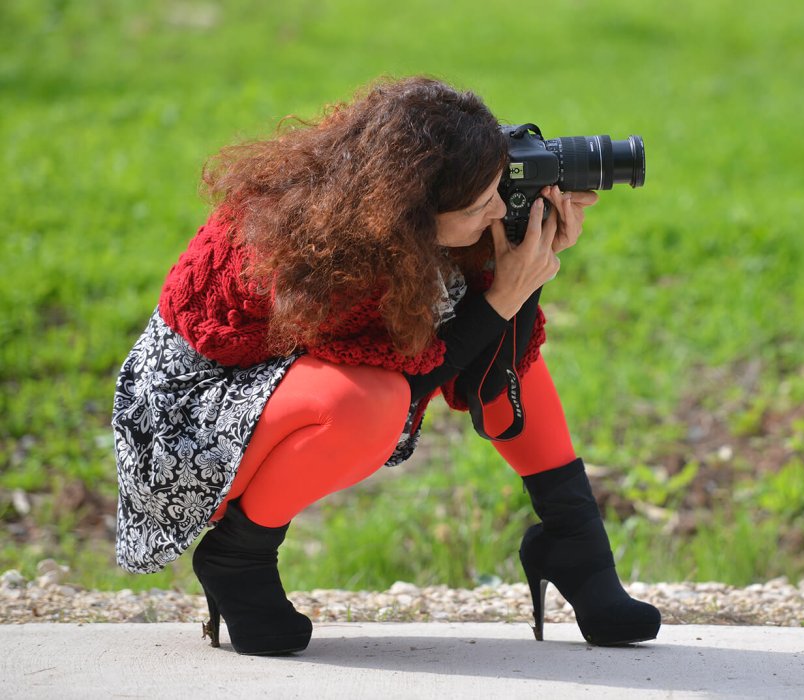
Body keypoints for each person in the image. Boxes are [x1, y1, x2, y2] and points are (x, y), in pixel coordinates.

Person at [111, 75, 661, 655]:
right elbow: (413, 385)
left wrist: (530, 261)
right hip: (184, 427)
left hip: (270, 393)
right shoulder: (324, 252)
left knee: (492, 343)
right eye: (482, 205)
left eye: (499, 189)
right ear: (412, 213)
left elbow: (489, 359)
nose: (499, 208)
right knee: (368, 406)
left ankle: (576, 545)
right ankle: (238, 557)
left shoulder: (395, 222)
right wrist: (504, 297)